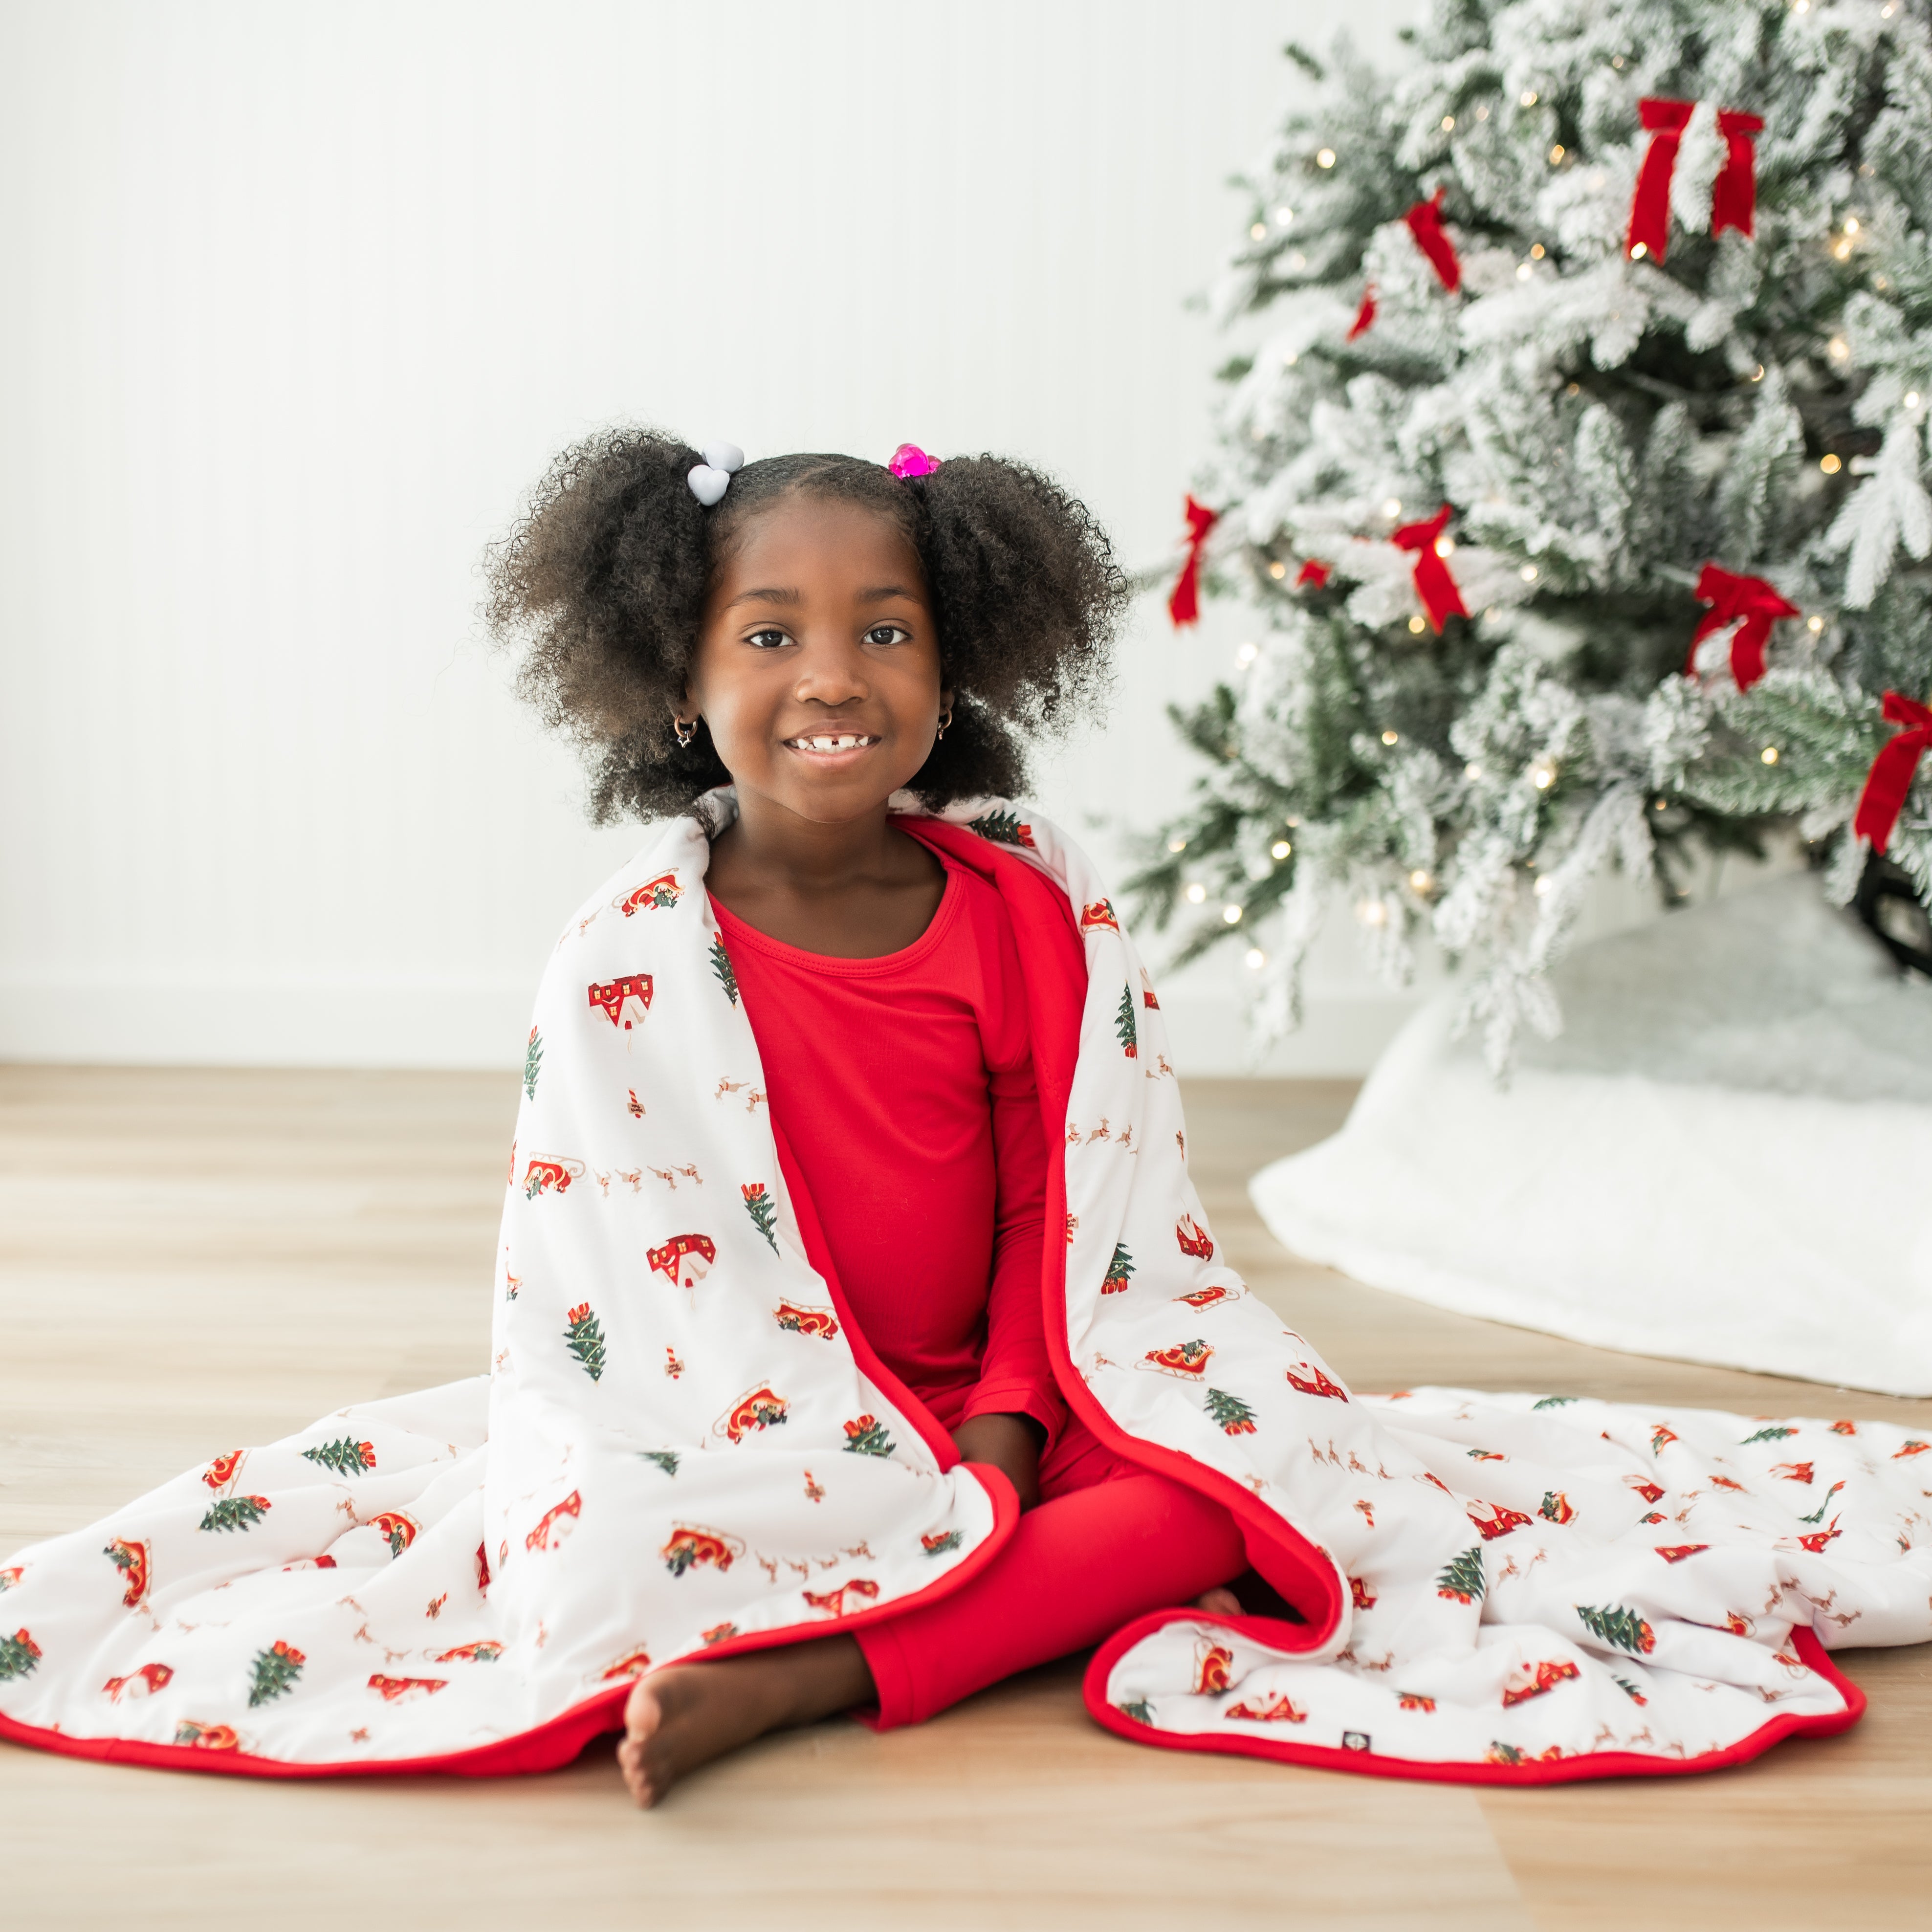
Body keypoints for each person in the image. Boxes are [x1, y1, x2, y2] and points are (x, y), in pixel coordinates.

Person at [486, 435, 1259, 1805]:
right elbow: (620, 1272)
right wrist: (835, 1441)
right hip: (757, 1411)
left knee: (1221, 1494)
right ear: (678, 677)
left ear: (951, 668)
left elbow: (1057, 1202)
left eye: (886, 630)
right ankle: (919, 1612)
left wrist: (1007, 1431)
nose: (833, 677)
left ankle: (806, 1675)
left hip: (1014, 1387)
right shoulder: (627, 959)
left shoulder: (1016, 912)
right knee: (599, 1554)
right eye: (770, 632)